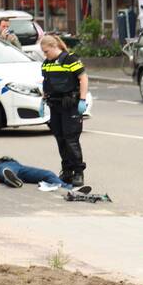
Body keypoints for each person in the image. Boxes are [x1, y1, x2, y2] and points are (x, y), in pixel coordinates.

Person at [40, 34, 87, 187]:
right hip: (55, 105)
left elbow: (83, 78)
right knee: (60, 138)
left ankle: (78, 172)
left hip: (70, 104)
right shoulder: (47, 63)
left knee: (71, 139)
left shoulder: (70, 59)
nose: (45, 54)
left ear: (55, 47)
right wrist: (43, 99)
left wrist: (83, 99)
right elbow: (46, 83)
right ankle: (67, 171)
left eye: (46, 51)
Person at [0, 156, 72, 189]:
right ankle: (11, 179)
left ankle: (67, 188)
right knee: (5, 170)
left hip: (17, 166)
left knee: (48, 174)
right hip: (2, 167)